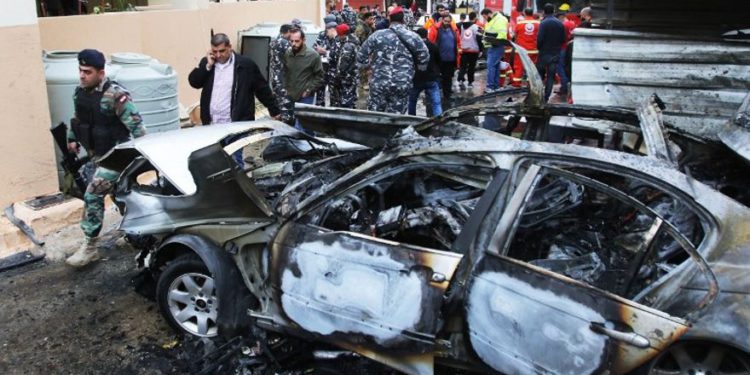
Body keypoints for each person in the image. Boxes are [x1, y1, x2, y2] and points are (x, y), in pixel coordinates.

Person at [65, 49, 146, 267]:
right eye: (80, 71)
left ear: (101, 73)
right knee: (121, 195)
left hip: (117, 156)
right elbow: (78, 118)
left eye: (87, 72)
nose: (82, 76)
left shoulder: (115, 96)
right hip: (97, 155)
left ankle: (90, 246)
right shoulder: (80, 92)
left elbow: (137, 128)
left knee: (93, 193)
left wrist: (142, 157)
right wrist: (72, 138)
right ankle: (137, 233)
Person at [188, 33, 280, 166]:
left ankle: (238, 186)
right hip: (212, 124)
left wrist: (274, 110)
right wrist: (207, 66)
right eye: (215, 51)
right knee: (215, 161)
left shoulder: (245, 65)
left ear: (230, 47)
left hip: (235, 124)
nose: (218, 55)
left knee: (234, 161)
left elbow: (261, 88)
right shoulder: (208, 63)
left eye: (222, 51)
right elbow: (194, 82)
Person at [357, 6, 429, 114]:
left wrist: (368, 68)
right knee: (396, 119)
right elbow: (424, 56)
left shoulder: (377, 35)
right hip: (401, 83)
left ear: (389, 19)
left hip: (379, 83)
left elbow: (361, 56)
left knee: (375, 117)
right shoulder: (413, 37)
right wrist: (417, 70)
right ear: (403, 20)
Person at [283, 28, 324, 132]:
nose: (293, 44)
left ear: (303, 40)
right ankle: (312, 144)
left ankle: (301, 146)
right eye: (291, 41)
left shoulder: (313, 56)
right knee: (306, 126)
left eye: (297, 41)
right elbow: (285, 72)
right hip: (291, 95)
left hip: (306, 97)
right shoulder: (288, 54)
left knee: (300, 128)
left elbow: (320, 76)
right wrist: (286, 88)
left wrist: (308, 90)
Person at [408, 28, 443, 116]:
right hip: (431, 77)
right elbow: (439, 61)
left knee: (412, 101)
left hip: (417, 78)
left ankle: (411, 120)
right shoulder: (433, 46)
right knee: (436, 103)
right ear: (426, 35)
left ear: (417, 36)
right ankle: (438, 120)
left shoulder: (413, 47)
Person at [537, 3, 565, 102]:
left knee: (540, 75)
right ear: (554, 11)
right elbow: (563, 39)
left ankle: (538, 96)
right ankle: (546, 97)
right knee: (550, 77)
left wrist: (539, 48)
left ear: (544, 12)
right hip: (555, 54)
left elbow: (540, 39)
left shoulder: (543, 23)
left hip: (544, 53)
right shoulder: (560, 23)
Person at [428, 14, 460, 101]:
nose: (447, 23)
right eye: (445, 21)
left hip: (451, 59)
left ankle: (447, 94)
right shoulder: (436, 29)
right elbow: (430, 42)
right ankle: (435, 95)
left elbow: (457, 42)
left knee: (448, 77)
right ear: (442, 20)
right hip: (439, 59)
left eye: (448, 21)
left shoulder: (453, 30)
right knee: (437, 77)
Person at [269, 24, 295, 124]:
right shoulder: (285, 43)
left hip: (274, 79)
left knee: (278, 104)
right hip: (283, 79)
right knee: (286, 106)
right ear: (287, 32)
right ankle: (287, 128)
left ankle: (278, 124)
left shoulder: (273, 41)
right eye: (291, 32)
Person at [331, 24, 360, 108]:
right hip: (354, 75)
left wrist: (337, 76)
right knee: (352, 98)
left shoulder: (348, 46)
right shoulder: (355, 40)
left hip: (347, 78)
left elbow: (342, 65)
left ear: (342, 34)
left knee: (346, 102)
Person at [481, 8, 509, 93]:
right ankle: (495, 86)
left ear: (489, 14)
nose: (485, 19)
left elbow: (501, 34)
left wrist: (492, 40)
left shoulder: (498, 20)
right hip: (496, 46)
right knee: (496, 67)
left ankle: (490, 87)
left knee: (491, 67)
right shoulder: (495, 19)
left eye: (485, 17)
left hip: (496, 46)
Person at [313, 19, 340, 106]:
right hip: (323, 67)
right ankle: (320, 107)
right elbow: (315, 47)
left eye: (327, 30)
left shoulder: (338, 38)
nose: (326, 33)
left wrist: (325, 52)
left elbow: (337, 54)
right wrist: (318, 50)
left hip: (333, 69)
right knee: (320, 89)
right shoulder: (322, 34)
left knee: (333, 92)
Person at [511, 7, 540, 87]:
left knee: (518, 67)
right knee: (532, 67)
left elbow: (515, 35)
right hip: (534, 50)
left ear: (524, 13)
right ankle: (530, 83)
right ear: (532, 13)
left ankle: (516, 83)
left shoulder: (519, 23)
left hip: (521, 50)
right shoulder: (538, 23)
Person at [457, 11, 481, 89]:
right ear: (475, 18)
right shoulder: (475, 27)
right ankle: (470, 82)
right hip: (473, 50)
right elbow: (479, 39)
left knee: (463, 66)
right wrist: (481, 49)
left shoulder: (462, 26)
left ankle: (460, 79)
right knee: (471, 67)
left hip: (464, 49)